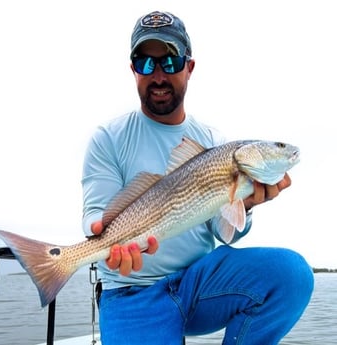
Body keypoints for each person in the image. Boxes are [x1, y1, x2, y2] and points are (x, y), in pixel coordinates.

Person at [82, 10, 314, 345]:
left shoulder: (213, 142)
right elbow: (96, 215)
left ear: (189, 67)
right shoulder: (109, 137)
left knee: (290, 274)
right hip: (132, 290)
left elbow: (225, 233)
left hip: (198, 283)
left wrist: (244, 207)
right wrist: (98, 233)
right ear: (133, 70)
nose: (158, 74)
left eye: (171, 62)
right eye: (146, 63)